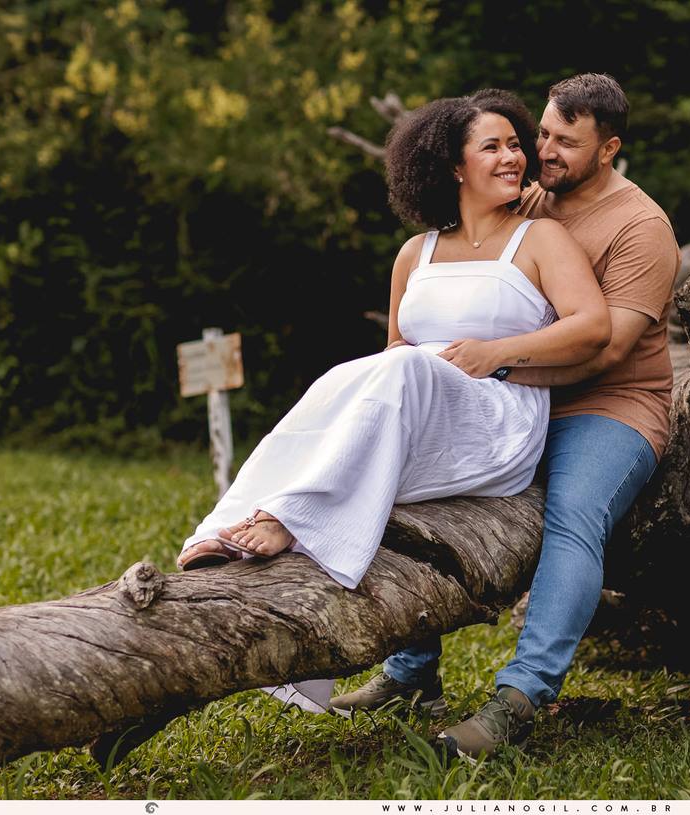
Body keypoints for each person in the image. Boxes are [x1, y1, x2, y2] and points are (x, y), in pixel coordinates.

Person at [174, 89, 611, 707]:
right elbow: (394, 352)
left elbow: (593, 326)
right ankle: (228, 527)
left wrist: (497, 353)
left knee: (403, 368)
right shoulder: (416, 252)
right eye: (492, 147)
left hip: (497, 419)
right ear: (453, 167)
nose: (514, 157)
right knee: (343, 378)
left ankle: (286, 519)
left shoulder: (539, 239)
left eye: (516, 144)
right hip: (424, 420)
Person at [330, 73, 682, 762]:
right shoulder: (528, 196)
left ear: (609, 149)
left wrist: (490, 364)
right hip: (508, 398)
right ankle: (411, 672)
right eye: (541, 132)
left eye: (565, 142)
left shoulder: (641, 229)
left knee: (574, 517)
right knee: (407, 484)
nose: (542, 151)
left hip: (609, 406)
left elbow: (604, 349)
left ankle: (519, 698)